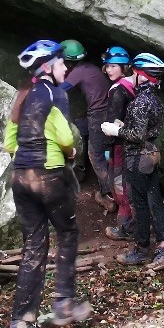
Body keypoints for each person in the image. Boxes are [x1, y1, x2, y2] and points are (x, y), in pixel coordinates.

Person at [2, 40, 92, 328]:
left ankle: (20, 325)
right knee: (67, 232)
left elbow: (9, 142)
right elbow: (65, 136)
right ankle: (64, 303)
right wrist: (69, 151)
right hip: (48, 175)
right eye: (62, 63)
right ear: (48, 66)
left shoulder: (23, 94)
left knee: (34, 246)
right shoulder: (54, 93)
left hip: (21, 177)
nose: (65, 68)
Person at [108, 53, 164, 271]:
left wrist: (116, 130)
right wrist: (126, 126)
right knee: (154, 199)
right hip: (150, 154)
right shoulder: (155, 100)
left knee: (139, 204)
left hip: (137, 157)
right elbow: (147, 130)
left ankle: (141, 250)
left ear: (141, 75)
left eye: (134, 73)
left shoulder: (140, 102)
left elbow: (137, 135)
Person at [60, 40, 113, 205]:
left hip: (99, 115)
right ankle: (81, 170)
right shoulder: (89, 68)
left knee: (96, 155)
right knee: (81, 129)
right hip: (106, 112)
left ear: (67, 61)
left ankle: (109, 195)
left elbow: (60, 90)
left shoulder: (79, 71)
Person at [100, 47, 136, 237]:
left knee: (119, 184)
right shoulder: (134, 85)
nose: (109, 70)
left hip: (119, 145)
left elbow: (112, 121)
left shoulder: (118, 90)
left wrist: (107, 147)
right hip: (132, 143)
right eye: (107, 66)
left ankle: (126, 228)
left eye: (113, 66)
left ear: (124, 67)